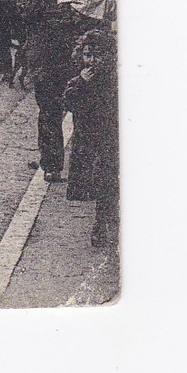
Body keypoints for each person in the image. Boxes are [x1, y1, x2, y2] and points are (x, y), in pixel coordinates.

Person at [17, 0, 79, 184]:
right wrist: (65, 12)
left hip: (74, 56)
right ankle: (52, 164)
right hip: (44, 59)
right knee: (50, 112)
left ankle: (82, 168)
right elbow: (30, 13)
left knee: (83, 110)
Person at [63, 28, 119, 246]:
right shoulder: (79, 79)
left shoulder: (113, 79)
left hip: (108, 135)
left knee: (107, 178)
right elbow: (68, 102)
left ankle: (101, 222)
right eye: (87, 55)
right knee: (94, 181)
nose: (92, 60)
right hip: (87, 138)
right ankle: (103, 218)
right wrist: (81, 82)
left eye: (97, 55)